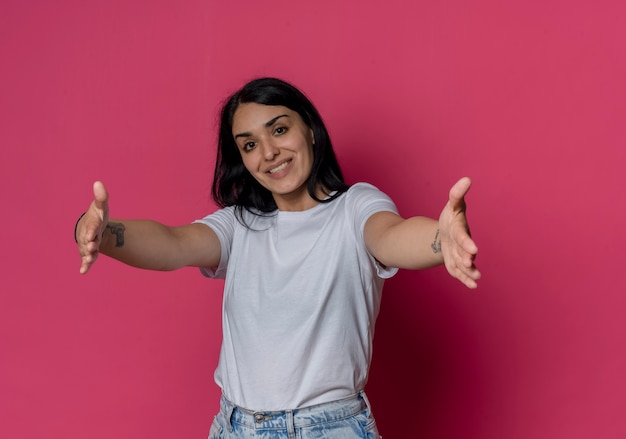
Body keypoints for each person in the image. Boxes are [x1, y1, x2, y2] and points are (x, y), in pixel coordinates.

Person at [75, 77, 480, 439]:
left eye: (280, 130)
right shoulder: (238, 225)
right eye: (250, 144)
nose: (268, 153)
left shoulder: (355, 207)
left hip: (327, 428)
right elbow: (172, 243)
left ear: (311, 131)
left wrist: (439, 238)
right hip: (235, 426)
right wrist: (102, 233)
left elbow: (391, 236)